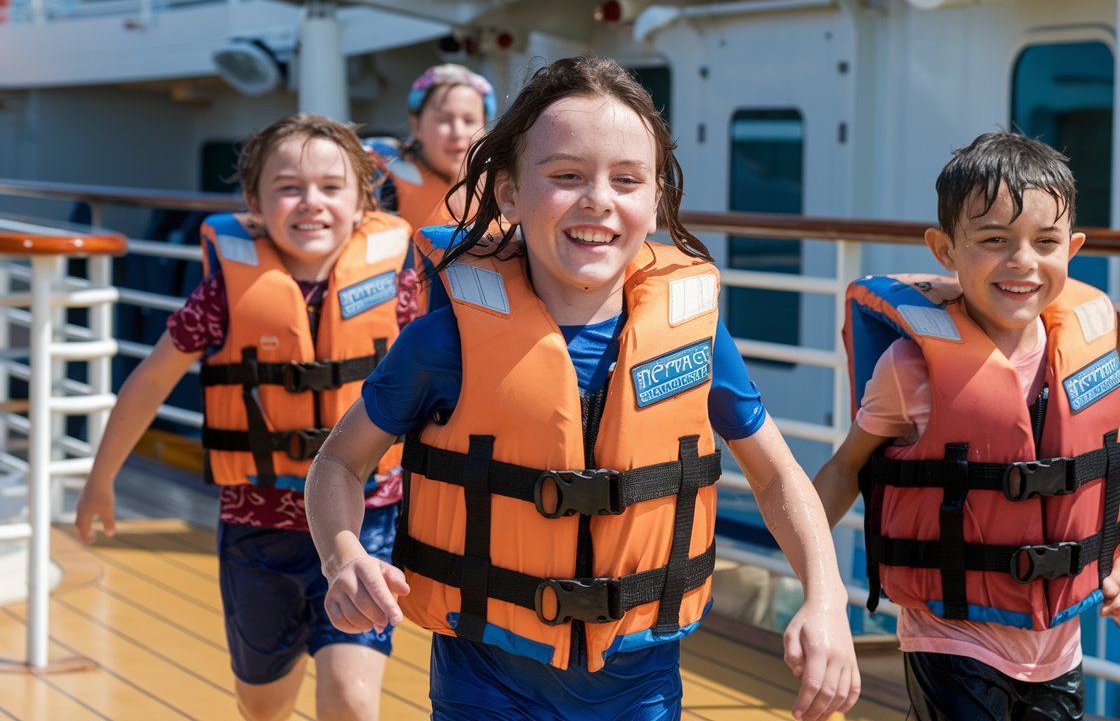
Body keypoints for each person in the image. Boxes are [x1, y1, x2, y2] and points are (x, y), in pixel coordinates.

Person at [305, 56, 860, 721]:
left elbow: (776, 477)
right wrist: (343, 555)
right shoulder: (443, 342)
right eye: (566, 176)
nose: (598, 199)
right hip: (486, 681)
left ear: (655, 200)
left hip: (639, 685)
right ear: (508, 193)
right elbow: (340, 461)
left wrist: (825, 599)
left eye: (626, 180)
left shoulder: (695, 337)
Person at [76, 112, 414, 721]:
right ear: (254, 203)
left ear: (363, 200)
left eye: (331, 187)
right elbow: (150, 381)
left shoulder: (398, 283)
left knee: (352, 701)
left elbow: (446, 386)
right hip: (257, 530)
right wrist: (102, 479)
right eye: (288, 187)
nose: (310, 203)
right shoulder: (222, 295)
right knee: (263, 706)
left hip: (366, 523)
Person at [813, 131, 1120, 720]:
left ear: (1073, 248)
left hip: (1058, 646)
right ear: (944, 249)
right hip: (950, 637)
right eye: (994, 240)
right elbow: (847, 467)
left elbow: (1106, 469)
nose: (1023, 261)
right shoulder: (909, 370)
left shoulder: (1091, 359)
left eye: (1045, 241)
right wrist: (814, 577)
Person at [365, 63, 496, 232]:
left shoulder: (505, 184)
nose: (458, 133)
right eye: (444, 120)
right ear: (416, 125)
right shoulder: (381, 180)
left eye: (469, 120)